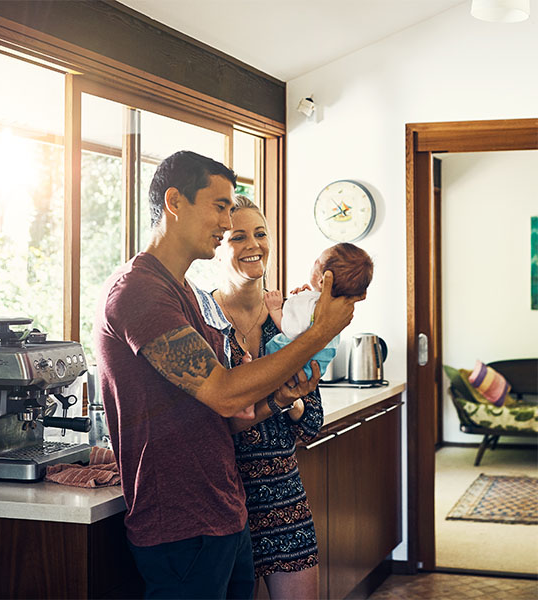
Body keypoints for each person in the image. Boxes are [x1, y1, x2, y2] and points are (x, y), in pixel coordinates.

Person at [94, 151, 361, 600]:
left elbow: (227, 412)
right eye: (219, 206)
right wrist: (320, 332)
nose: (225, 220)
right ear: (175, 201)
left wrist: (278, 400)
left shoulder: (183, 295)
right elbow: (220, 392)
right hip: (180, 520)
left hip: (223, 512)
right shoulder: (138, 290)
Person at [212, 196, 366, 600]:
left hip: (282, 491)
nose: (254, 244)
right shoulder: (204, 322)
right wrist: (278, 397)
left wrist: (292, 400)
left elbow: (311, 422)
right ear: (217, 243)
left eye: (261, 234)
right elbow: (209, 419)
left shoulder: (301, 320)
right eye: (237, 235)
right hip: (220, 499)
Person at [264, 242, 374, 379]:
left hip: (295, 367)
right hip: (317, 365)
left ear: (323, 281)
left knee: (267, 354)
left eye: (317, 261)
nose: (313, 263)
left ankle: (252, 365)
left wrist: (275, 309)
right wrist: (305, 297)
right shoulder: (336, 310)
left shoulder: (310, 304)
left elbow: (291, 330)